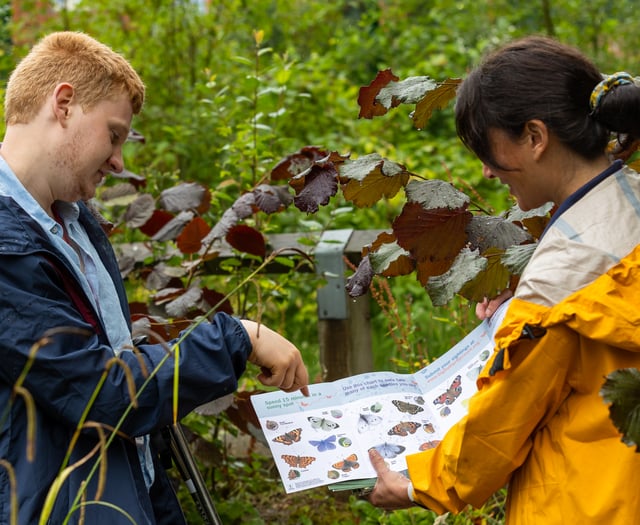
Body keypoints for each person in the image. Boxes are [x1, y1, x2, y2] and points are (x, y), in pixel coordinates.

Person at [0, 31, 309, 524]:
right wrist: (237, 337)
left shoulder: (76, 227)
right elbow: (101, 391)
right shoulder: (6, 250)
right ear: (63, 104)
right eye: (115, 134)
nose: (120, 161)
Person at [368, 35, 640, 523]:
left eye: (489, 151)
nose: (487, 172)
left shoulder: (561, 281)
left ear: (535, 137)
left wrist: (417, 485)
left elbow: (500, 426)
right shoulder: (628, 205)